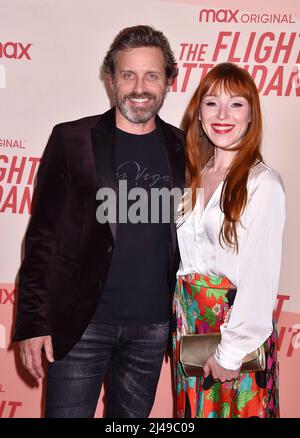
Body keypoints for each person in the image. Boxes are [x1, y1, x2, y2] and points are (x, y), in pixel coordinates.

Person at [13, 25, 185, 418]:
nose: (139, 87)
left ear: (168, 81)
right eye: (128, 75)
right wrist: (33, 322)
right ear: (111, 79)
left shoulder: (183, 148)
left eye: (151, 75)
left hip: (152, 330)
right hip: (80, 328)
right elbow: (42, 238)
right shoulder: (72, 139)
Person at [173, 62, 285, 418]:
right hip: (188, 334)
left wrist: (230, 352)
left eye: (236, 104)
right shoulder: (191, 177)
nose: (223, 114)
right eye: (211, 103)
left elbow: (259, 276)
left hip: (235, 338)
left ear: (251, 115)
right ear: (199, 112)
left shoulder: (262, 184)